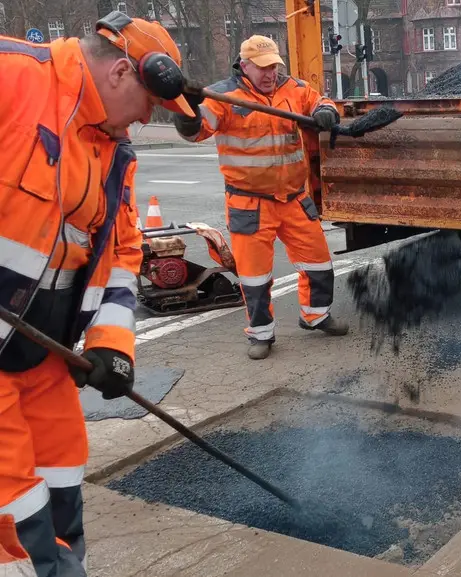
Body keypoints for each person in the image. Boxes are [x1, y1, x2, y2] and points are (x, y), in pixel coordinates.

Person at [0, 12, 194, 577]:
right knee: (17, 519)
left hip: (44, 352)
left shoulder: (112, 154)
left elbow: (123, 255)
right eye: (150, 104)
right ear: (120, 73)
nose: (145, 120)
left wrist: (113, 347)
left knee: (61, 482)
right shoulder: (16, 78)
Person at [173, 35, 349, 361]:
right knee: (255, 278)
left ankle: (316, 315)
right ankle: (261, 334)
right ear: (245, 65)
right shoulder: (222, 96)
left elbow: (320, 101)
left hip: (294, 198)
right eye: (264, 68)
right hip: (249, 203)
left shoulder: (293, 89)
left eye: (275, 67)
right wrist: (184, 109)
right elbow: (195, 131)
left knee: (319, 262)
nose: (270, 74)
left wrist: (327, 113)